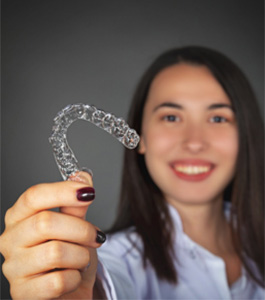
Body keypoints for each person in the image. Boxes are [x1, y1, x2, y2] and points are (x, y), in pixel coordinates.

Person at [0, 46, 264, 299]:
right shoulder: (114, 260)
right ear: (141, 136)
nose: (194, 142)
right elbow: (103, 286)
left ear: (246, 134)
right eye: (171, 117)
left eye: (218, 118)